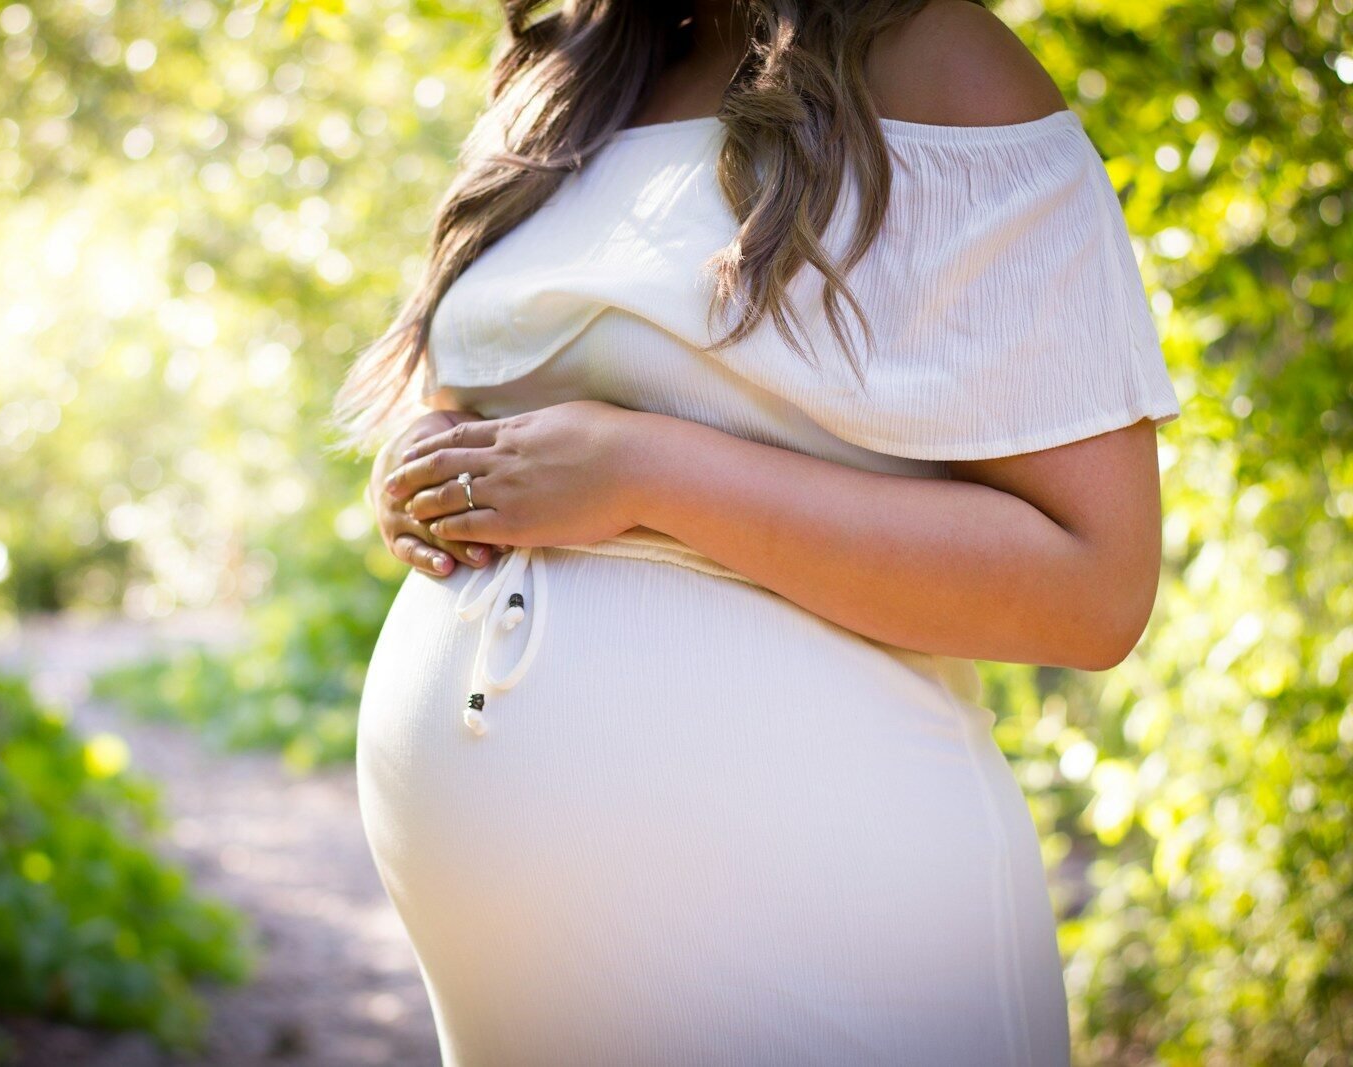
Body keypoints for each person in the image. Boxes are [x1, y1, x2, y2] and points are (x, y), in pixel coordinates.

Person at [334, 0, 1180, 1063]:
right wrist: (431, 464)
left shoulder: (940, 65)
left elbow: (1092, 585)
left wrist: (649, 470)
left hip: (834, 922)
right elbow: (512, 393)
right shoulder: (573, 74)